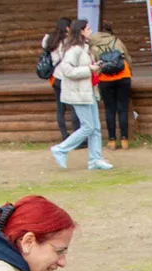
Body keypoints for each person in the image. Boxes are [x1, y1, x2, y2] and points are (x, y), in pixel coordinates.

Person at [49, 20, 111, 171]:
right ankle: (61, 149)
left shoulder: (86, 48)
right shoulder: (73, 50)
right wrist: (89, 69)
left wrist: (96, 68)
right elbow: (67, 71)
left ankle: (95, 159)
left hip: (89, 91)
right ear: (81, 32)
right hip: (78, 93)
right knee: (88, 127)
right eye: (88, 29)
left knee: (96, 127)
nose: (90, 31)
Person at [89, 23, 132, 151]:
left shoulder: (93, 45)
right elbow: (127, 59)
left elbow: (93, 63)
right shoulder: (117, 41)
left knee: (109, 110)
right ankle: (124, 140)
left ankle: (112, 141)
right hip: (123, 76)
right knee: (123, 109)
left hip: (105, 79)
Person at [42, 18, 79, 140]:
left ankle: (64, 135)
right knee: (74, 107)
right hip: (68, 77)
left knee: (60, 108)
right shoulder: (69, 41)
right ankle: (77, 137)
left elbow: (44, 45)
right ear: (67, 28)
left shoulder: (50, 40)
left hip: (56, 78)